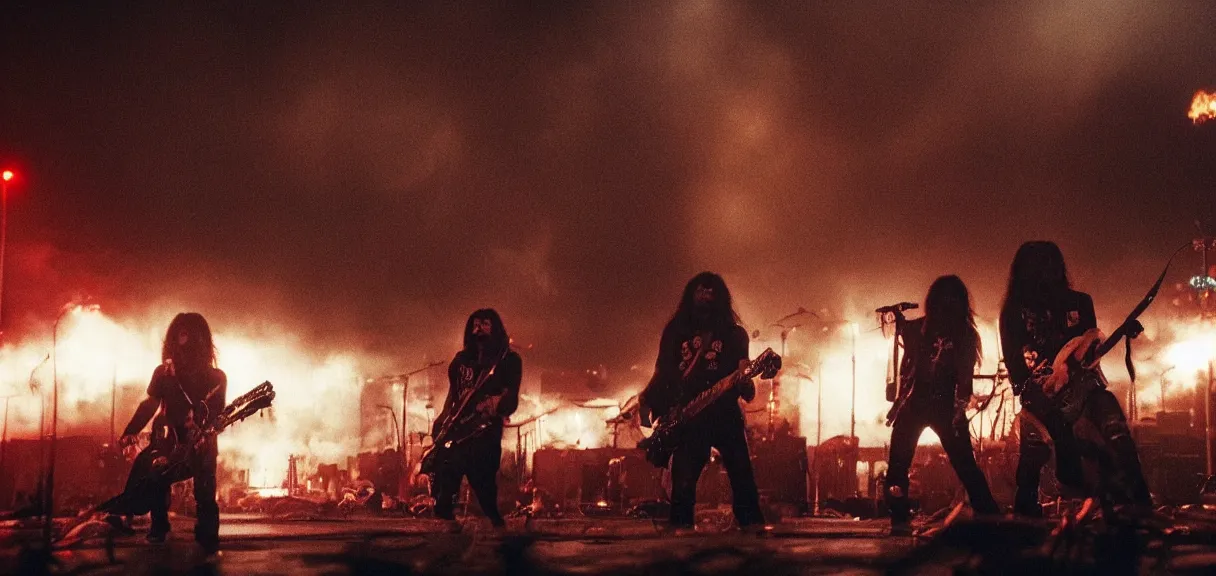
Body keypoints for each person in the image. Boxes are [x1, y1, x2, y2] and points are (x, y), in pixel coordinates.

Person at [999, 241, 1151, 518]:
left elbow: (1090, 347)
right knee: (1033, 454)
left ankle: (1138, 498)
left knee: (1115, 426)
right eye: (1040, 265)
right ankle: (1026, 513)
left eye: (1052, 263)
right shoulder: (1013, 312)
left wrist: (1119, 335)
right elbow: (1014, 365)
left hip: (1085, 387)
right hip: (1041, 394)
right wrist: (1032, 394)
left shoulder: (1080, 302)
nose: (1048, 271)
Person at [640, 272, 765, 532]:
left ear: (720, 298)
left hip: (724, 411)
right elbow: (663, 369)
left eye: (711, 292)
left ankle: (752, 530)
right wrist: (648, 400)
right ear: (691, 294)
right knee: (683, 480)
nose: (706, 296)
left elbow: (743, 366)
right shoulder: (676, 331)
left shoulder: (734, 334)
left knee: (741, 474)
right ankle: (681, 532)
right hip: (690, 414)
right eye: (700, 291)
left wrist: (745, 380)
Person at [883, 275, 1000, 535]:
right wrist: (895, 319)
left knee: (960, 464)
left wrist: (959, 409)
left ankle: (988, 513)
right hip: (919, 404)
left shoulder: (963, 335)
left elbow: (964, 378)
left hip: (939, 406)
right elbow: (904, 339)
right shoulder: (929, 330)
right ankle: (900, 515)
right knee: (902, 463)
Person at [119, 313, 227, 553]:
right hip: (169, 440)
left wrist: (202, 428)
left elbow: (217, 412)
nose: (185, 337)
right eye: (181, 332)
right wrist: (130, 431)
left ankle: (207, 535)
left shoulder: (216, 377)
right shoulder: (163, 373)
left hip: (202, 442)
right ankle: (159, 528)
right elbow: (150, 404)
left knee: (205, 489)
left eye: (189, 333)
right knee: (157, 475)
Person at [429, 309, 522, 529]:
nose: (478, 329)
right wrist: (443, 418)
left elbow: (511, 396)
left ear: (495, 328)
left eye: (485, 324)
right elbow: (454, 393)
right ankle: (446, 522)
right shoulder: (461, 360)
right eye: (475, 324)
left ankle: (496, 524)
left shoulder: (508, 360)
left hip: (485, 429)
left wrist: (494, 404)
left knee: (483, 481)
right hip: (457, 426)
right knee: (447, 470)